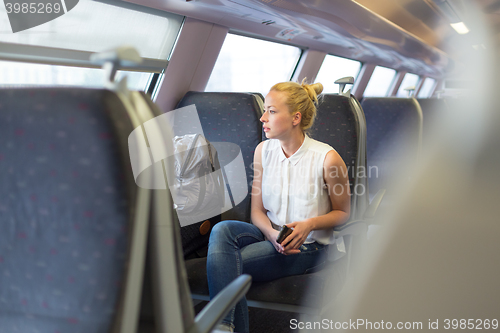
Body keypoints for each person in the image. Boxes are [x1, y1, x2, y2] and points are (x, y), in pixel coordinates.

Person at [207, 80, 351, 332]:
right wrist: (273, 235)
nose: (263, 117)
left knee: (228, 265)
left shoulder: (327, 158)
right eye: (265, 110)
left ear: (295, 117)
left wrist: (310, 224)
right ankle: (224, 327)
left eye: (271, 111)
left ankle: (224, 326)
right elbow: (257, 212)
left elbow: (344, 213)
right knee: (222, 230)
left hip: (307, 246)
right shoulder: (263, 151)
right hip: (269, 234)